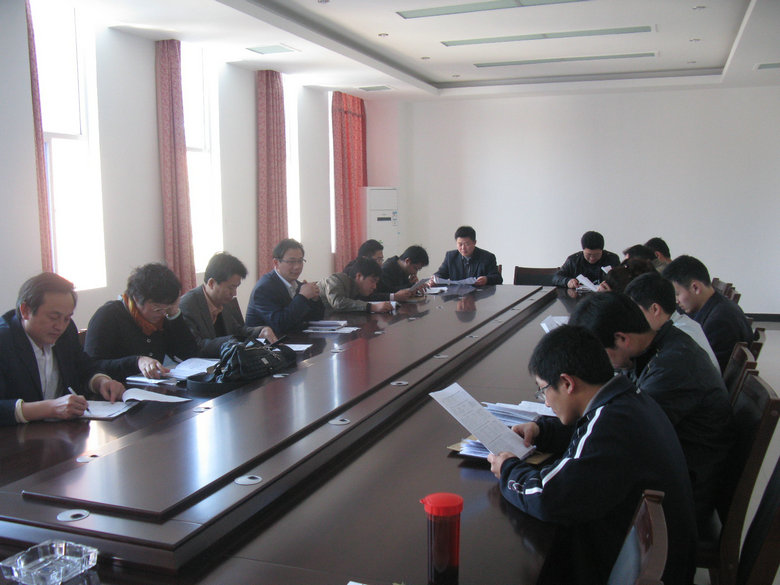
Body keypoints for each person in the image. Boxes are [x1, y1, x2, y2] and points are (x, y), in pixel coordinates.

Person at [487, 325, 696, 585]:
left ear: (567, 383)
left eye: (543, 390)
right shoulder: (626, 400)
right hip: (662, 557)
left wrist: (508, 469)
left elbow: (548, 498)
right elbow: (587, 430)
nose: (546, 403)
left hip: (636, 569)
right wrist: (542, 431)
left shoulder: (611, 425)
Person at [569, 292, 734, 528]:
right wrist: (546, 429)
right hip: (677, 476)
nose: (603, 364)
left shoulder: (672, 367)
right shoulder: (659, 347)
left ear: (622, 339)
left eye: (602, 355)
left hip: (680, 500)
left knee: (572, 508)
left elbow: (619, 436)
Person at [1, 273, 125, 426]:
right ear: (25, 310)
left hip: (62, 431)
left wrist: (101, 382)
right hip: (16, 436)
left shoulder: (67, 331)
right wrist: (49, 408)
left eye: (66, 318)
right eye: (53, 317)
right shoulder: (4, 340)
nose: (60, 326)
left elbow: (84, 367)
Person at [84, 263, 198, 381]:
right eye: (157, 309)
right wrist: (137, 361)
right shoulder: (108, 315)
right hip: (119, 389)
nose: (163, 313)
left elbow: (189, 356)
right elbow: (92, 366)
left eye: (167, 308)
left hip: (153, 387)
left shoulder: (162, 317)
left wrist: (174, 315)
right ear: (137, 298)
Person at [663, 255, 753, 372]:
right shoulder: (716, 306)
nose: (676, 301)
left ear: (695, 287)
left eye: (677, 294)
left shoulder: (720, 321)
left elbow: (706, 369)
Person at [180, 252, 276, 358]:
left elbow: (238, 331)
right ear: (211, 283)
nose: (234, 293)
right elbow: (196, 346)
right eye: (231, 287)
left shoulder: (225, 301)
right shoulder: (188, 305)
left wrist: (260, 331)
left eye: (236, 287)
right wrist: (231, 341)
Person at [625, 271, 719, 370]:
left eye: (635, 313)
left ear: (655, 309)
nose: (632, 321)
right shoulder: (679, 324)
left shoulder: (680, 339)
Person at [245, 239, 324, 335]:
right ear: (276, 263)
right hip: (268, 343)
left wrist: (314, 299)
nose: (297, 266)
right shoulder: (263, 289)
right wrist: (302, 297)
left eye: (300, 261)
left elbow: (315, 319)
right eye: (291, 262)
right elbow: (280, 325)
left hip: (294, 340)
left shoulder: (297, 285)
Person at [318, 257, 393, 313]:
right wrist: (372, 307)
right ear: (359, 276)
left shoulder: (358, 290)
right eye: (373, 281)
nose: (374, 286)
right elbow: (338, 303)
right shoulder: (336, 280)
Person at [433, 226, 502, 286]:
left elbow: (498, 278)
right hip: (457, 295)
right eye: (460, 244)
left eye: (467, 244)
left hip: (479, 295)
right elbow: (441, 274)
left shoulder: (487, 257)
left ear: (474, 242)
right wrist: (435, 279)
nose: (463, 248)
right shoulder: (451, 256)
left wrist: (486, 279)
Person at [552, 230, 620, 288]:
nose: (592, 258)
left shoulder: (612, 259)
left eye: (596, 254)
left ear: (602, 250)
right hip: (578, 297)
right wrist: (567, 281)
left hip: (604, 297)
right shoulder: (573, 260)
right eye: (588, 254)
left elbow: (621, 281)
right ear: (583, 250)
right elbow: (556, 278)